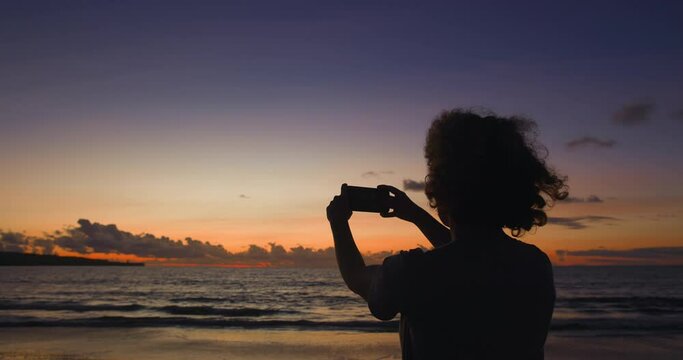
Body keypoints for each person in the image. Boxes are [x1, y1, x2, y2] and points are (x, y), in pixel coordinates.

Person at [327, 109, 567, 359]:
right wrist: (416, 215)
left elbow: (356, 277)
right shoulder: (535, 265)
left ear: (441, 188)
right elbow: (472, 257)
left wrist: (338, 222)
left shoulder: (413, 274)